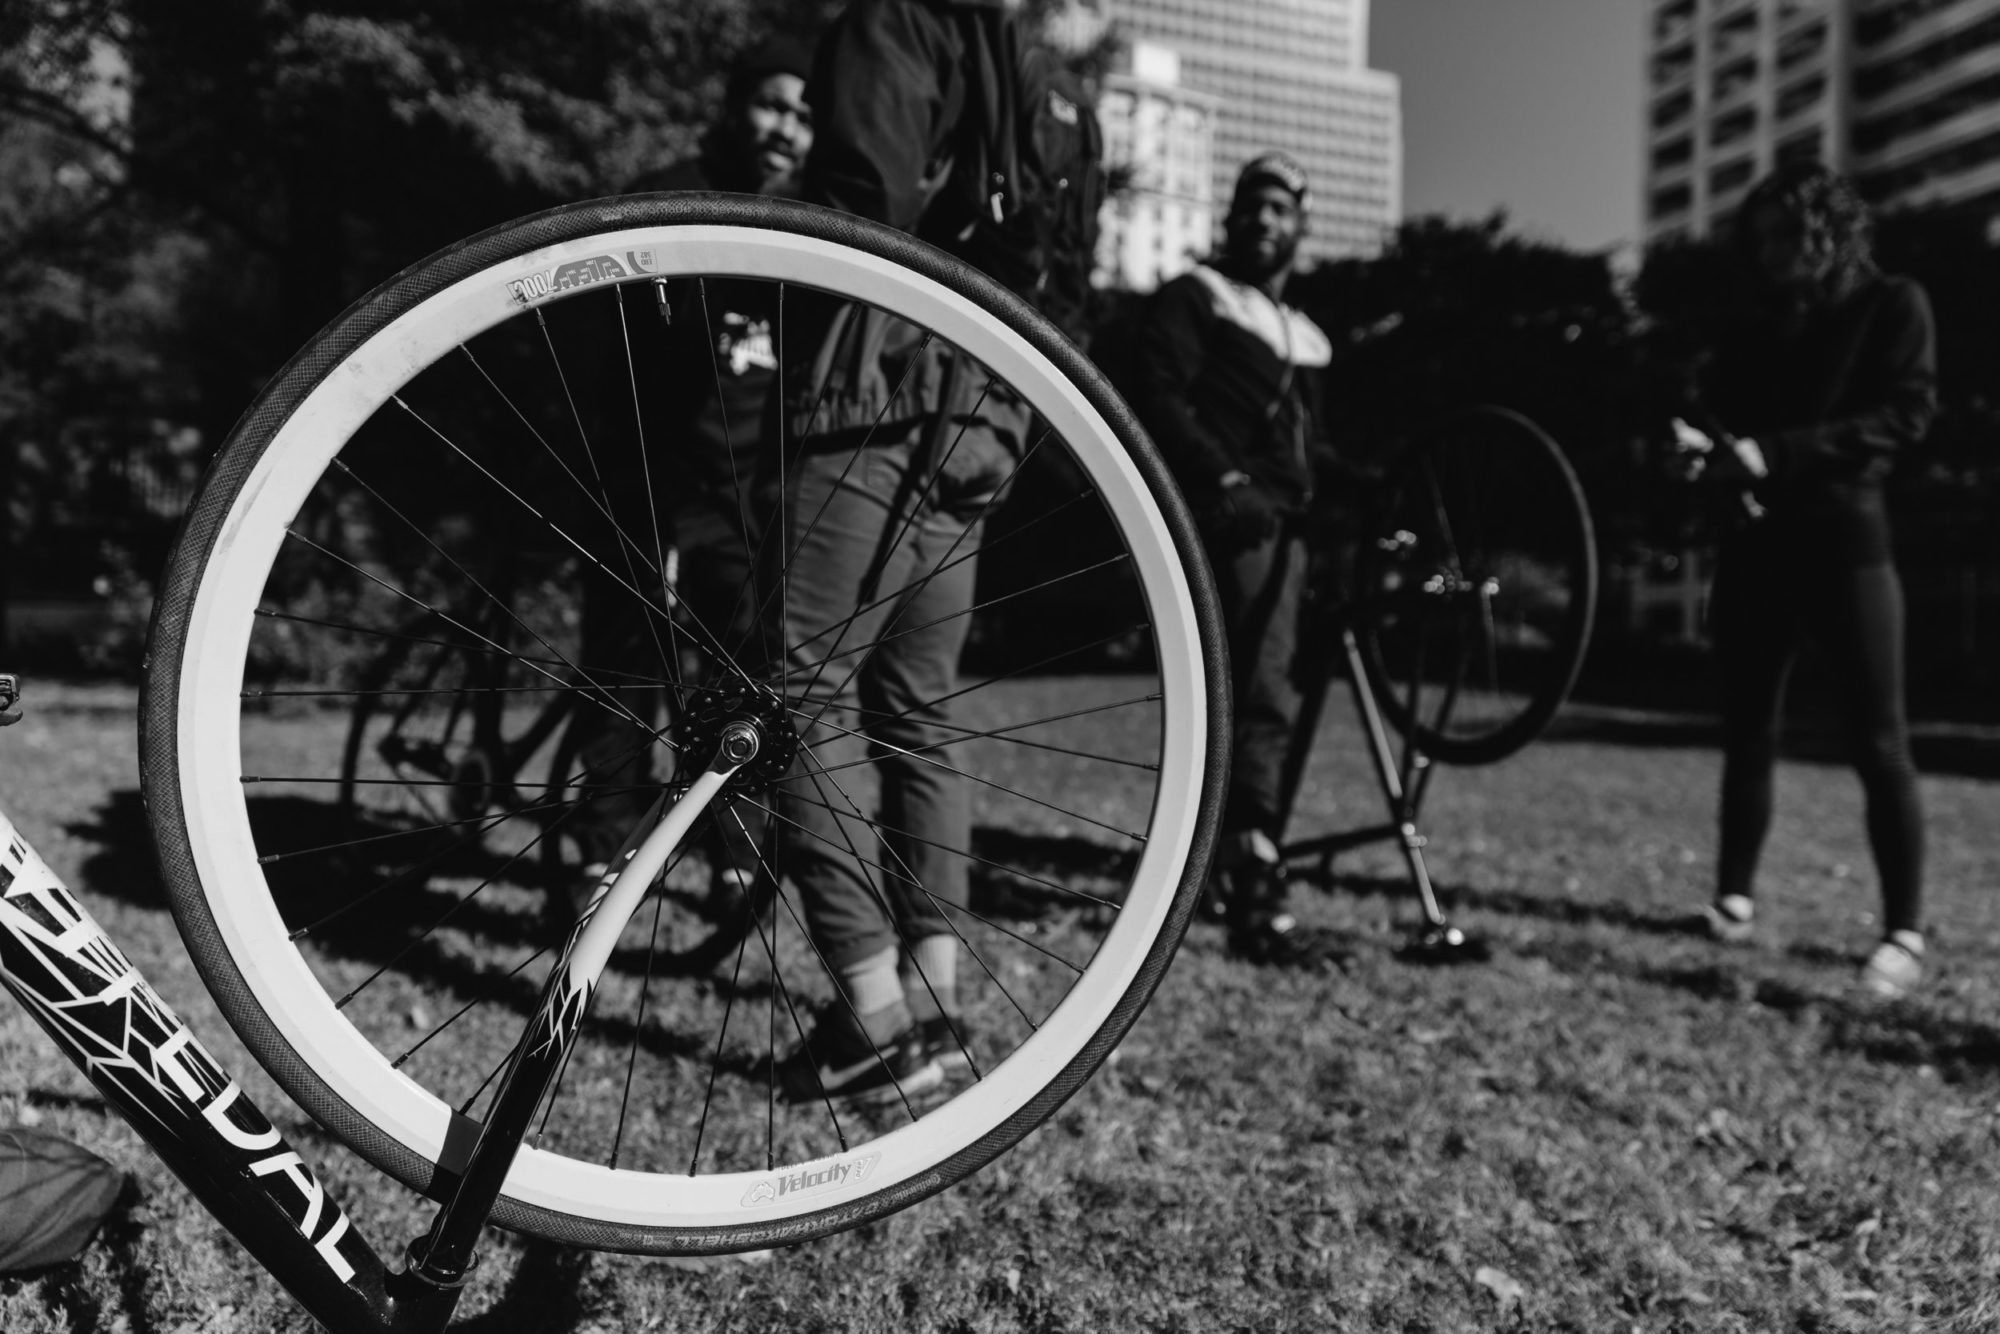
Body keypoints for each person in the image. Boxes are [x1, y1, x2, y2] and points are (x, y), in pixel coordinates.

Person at [765, 0, 1038, 1106]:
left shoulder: (897, 17)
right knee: (916, 709)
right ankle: (929, 1002)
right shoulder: (1016, 53)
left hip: (879, 372)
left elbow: (864, 196)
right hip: (992, 392)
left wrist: (765, 225)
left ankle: (874, 1023)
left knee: (796, 690)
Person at [1668, 163, 1936, 998]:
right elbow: (1728, 421)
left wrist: (1777, 452)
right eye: (1761, 241)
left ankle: (1902, 929)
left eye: (1788, 235)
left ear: (1828, 227)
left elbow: (1903, 416)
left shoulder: (1893, 305)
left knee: (1877, 738)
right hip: (1759, 547)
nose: (1774, 254)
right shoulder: (1760, 329)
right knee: (1749, 728)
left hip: (1847, 543)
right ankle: (1733, 899)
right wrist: (1703, 448)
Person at [561, 36, 815, 911]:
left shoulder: (816, 233)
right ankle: (605, 852)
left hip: (748, 493)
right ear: (732, 106)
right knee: (625, 671)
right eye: (774, 104)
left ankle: (735, 844)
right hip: (648, 479)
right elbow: (604, 353)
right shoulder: (666, 200)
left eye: (806, 115)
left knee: (740, 680)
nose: (788, 128)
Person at [1129, 152, 1339, 967]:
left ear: (1302, 223)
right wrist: (1221, 476)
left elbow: (1318, 450)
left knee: (1266, 693)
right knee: (1255, 693)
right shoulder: (1197, 297)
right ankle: (1253, 867)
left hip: (1292, 529)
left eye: (1280, 206)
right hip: (1227, 521)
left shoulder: (1311, 337)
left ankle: (1224, 852)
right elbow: (1157, 394)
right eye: (1250, 203)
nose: (1262, 218)